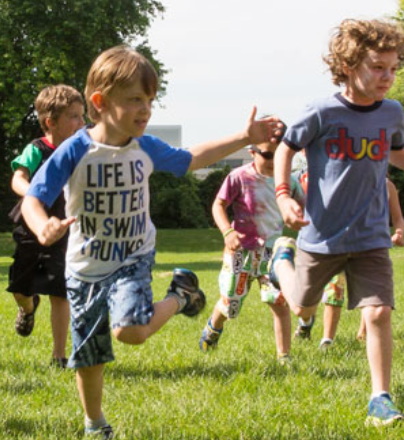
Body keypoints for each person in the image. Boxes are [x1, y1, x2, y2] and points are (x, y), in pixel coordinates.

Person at [21, 45, 283, 439]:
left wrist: (243, 136)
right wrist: (42, 227)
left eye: (150, 100)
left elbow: (191, 157)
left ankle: (179, 297)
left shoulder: (144, 147)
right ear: (100, 102)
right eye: (135, 100)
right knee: (89, 354)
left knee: (131, 332)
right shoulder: (75, 149)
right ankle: (95, 424)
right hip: (84, 267)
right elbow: (33, 198)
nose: (146, 110)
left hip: (133, 256)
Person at [269, 19, 404, 426]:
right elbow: (286, 148)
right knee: (302, 305)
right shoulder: (321, 112)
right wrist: (283, 194)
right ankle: (281, 264)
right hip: (321, 235)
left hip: (371, 234)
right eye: (379, 67)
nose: (388, 77)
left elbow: (398, 154)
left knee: (378, 313)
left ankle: (380, 397)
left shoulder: (392, 113)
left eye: (394, 68)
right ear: (347, 65)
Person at [199, 131, 305, 364]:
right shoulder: (239, 177)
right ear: (252, 152)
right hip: (241, 253)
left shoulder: (288, 182)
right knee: (230, 303)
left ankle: (284, 356)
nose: (273, 161)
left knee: (279, 302)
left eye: (279, 156)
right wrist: (228, 232)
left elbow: (304, 207)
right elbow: (219, 205)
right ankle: (212, 330)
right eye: (268, 155)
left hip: (272, 254)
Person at [8, 85, 85, 368]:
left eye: (82, 116)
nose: (82, 123)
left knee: (59, 290)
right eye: (75, 117)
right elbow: (18, 178)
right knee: (20, 287)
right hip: (31, 225)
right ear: (51, 122)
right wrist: (32, 194)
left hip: (65, 226)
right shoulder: (36, 148)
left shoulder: (81, 150)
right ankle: (27, 309)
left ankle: (59, 356)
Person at [316, 178, 404, 348]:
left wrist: (399, 232)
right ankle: (327, 338)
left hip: (372, 246)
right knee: (334, 289)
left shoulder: (387, 186)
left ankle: (364, 332)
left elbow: (398, 218)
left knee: (370, 295)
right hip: (341, 245)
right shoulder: (346, 179)